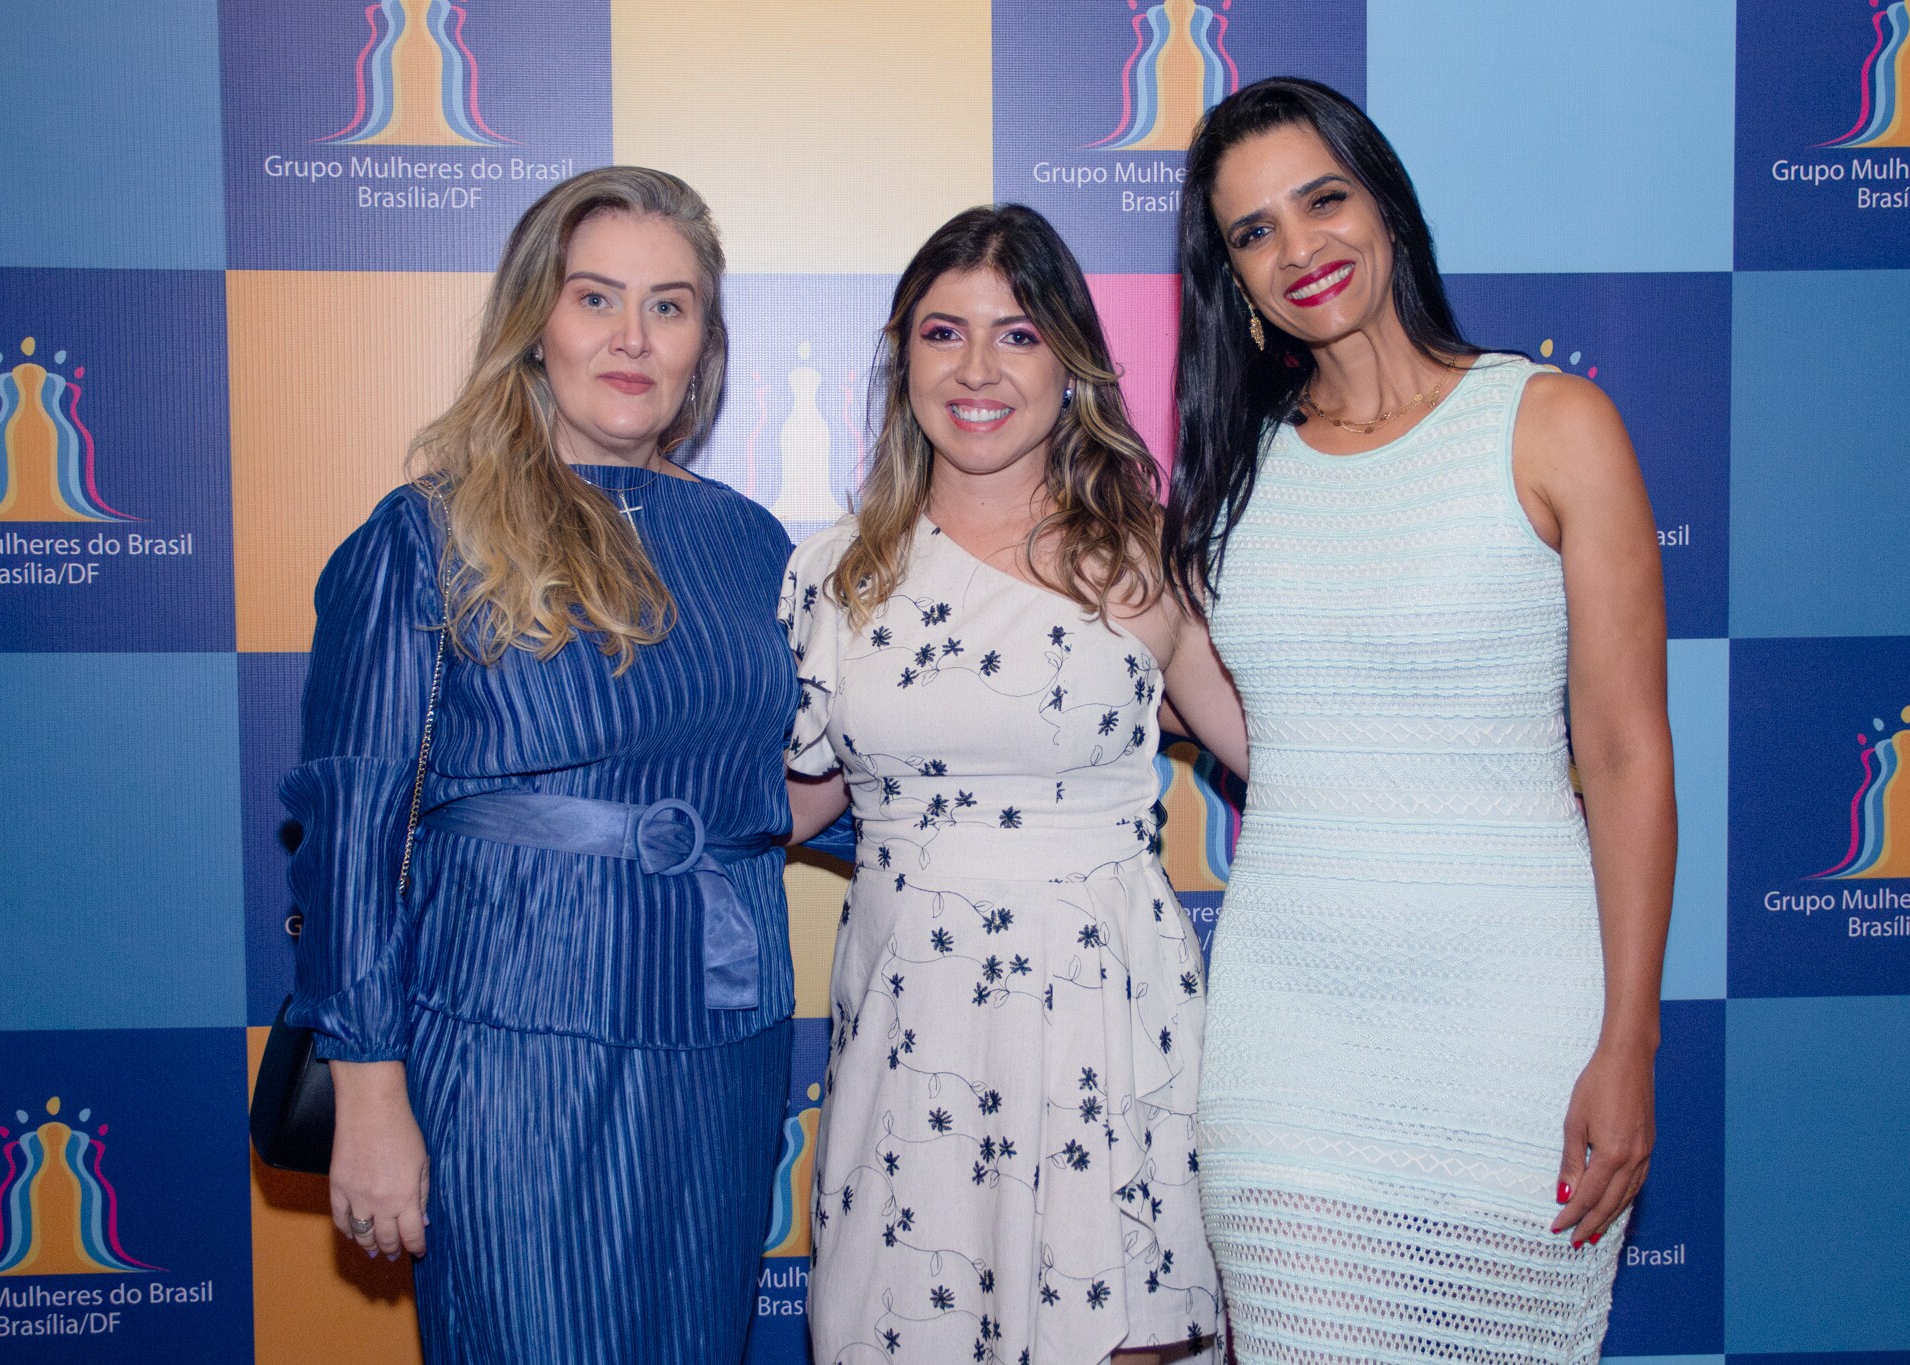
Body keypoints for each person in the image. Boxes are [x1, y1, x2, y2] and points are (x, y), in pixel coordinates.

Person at [1163, 78, 1676, 1362]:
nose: (1299, 250)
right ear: (1231, 279)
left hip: (1516, 1024)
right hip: (1289, 1037)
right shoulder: (1232, 478)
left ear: (1384, 207)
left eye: (1321, 200)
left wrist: (1628, 1040)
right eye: (1253, 233)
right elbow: (1284, 747)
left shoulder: (1550, 424)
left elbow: (1621, 754)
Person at [280, 167, 797, 1363]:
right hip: (510, 1040)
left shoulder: (747, 542)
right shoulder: (424, 534)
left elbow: (778, 783)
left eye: (669, 307)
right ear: (535, 324)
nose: (632, 338)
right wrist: (367, 1089)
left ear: (704, 343)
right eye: (596, 299)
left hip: (719, 1042)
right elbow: (351, 828)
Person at [781, 204, 1246, 1365]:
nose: (977, 369)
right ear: (903, 359)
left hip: (1107, 1016)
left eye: (1019, 334)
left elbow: (1286, 762)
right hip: (913, 1029)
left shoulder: (1145, 563)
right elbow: (782, 808)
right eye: (944, 333)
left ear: (1070, 364)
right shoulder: (834, 575)